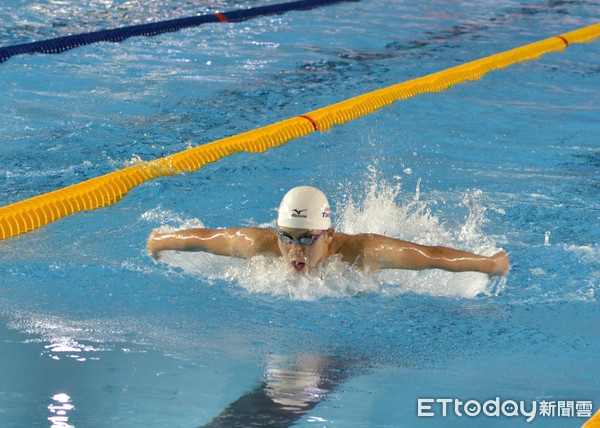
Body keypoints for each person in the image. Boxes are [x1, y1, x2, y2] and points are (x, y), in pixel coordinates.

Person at [146, 186, 509, 276]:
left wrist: (488, 264)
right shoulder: (258, 244)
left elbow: (431, 256)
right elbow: (205, 238)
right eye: (287, 236)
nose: (294, 250)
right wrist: (161, 240)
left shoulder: (362, 252)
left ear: (329, 235)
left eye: (306, 239)